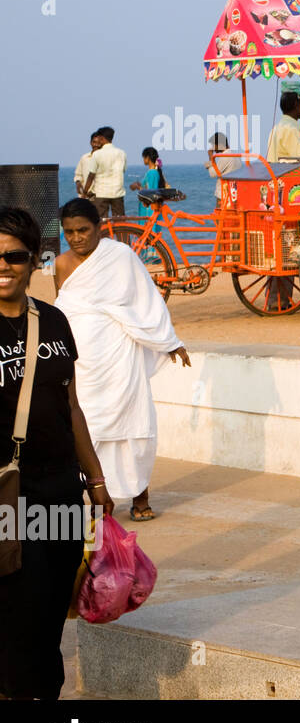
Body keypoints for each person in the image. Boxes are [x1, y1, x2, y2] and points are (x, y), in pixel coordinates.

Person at [0, 207, 113, 699]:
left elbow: (71, 405)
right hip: (6, 496)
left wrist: (97, 480)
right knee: (15, 612)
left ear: (33, 261)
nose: (3, 265)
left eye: (14, 256)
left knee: (49, 611)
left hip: (61, 490)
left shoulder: (53, 319)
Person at [53, 199, 190, 522]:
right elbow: (61, 312)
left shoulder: (121, 256)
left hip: (118, 352)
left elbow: (145, 300)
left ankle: (140, 497)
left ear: (99, 226)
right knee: (88, 426)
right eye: (69, 232)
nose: (76, 238)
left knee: (132, 423)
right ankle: (94, 500)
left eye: (83, 230)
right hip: (80, 359)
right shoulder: (60, 264)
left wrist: (169, 341)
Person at [83, 127, 126, 220]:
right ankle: (123, 234)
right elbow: (123, 170)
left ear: (102, 138)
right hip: (117, 193)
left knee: (101, 223)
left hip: (101, 193)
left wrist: (84, 192)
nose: (98, 142)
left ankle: (103, 234)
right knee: (121, 223)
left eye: (99, 139)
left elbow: (91, 176)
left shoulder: (97, 154)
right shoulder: (121, 153)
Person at [128, 147, 166, 218]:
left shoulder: (152, 173)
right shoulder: (154, 172)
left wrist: (138, 187)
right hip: (151, 209)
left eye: (143, 158)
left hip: (150, 210)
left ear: (147, 158)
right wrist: (140, 186)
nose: (143, 160)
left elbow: (151, 193)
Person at [206, 131, 241, 201]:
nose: (213, 148)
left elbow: (212, 174)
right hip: (233, 195)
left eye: (214, 145)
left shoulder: (225, 157)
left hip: (223, 196)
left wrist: (210, 157)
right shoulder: (235, 156)